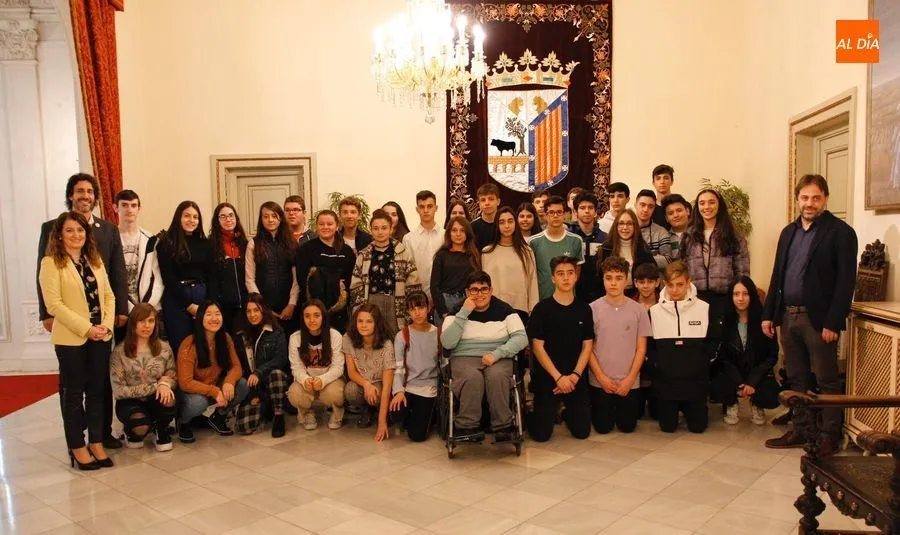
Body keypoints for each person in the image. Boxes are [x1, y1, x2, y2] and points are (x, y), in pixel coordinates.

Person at [763, 174, 858, 455]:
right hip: (788, 315)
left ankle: (829, 435)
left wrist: (833, 322)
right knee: (797, 378)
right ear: (797, 199)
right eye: (804, 197)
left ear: (826, 199)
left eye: (816, 198)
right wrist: (769, 314)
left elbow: (845, 282)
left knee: (827, 380)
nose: (810, 203)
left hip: (818, 320)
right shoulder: (788, 232)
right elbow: (777, 275)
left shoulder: (840, 232)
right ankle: (803, 430)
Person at [37, 173, 127, 450]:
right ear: (71, 195)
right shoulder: (51, 231)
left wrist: (112, 319)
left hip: (101, 326)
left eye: (89, 191)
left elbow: (116, 274)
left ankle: (101, 436)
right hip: (71, 328)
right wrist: (46, 314)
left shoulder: (106, 233)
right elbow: (46, 286)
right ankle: (76, 443)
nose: (85, 196)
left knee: (99, 385)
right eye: (79, 191)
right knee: (72, 389)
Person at [441, 271, 527, 442]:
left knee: (497, 375)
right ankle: (466, 426)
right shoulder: (457, 311)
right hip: (464, 357)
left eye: (484, 289)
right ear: (467, 292)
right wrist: (464, 313)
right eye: (474, 290)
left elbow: (521, 338)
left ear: (491, 290)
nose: (479, 294)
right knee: (472, 377)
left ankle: (503, 426)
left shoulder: (505, 310)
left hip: (498, 356)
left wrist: (497, 354)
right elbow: (447, 343)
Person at [526, 257, 593, 442]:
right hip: (549, 377)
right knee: (541, 435)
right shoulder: (542, 309)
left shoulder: (584, 309)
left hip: (574, 377)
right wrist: (558, 378)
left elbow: (587, 345)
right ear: (553, 278)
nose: (566, 278)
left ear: (576, 277)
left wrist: (575, 376)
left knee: (582, 432)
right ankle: (531, 414)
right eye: (560, 274)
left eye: (570, 273)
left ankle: (564, 412)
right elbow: (537, 347)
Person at [650, 261, 718, 434]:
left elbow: (713, 341)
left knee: (698, 428)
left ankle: (691, 409)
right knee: (667, 428)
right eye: (670, 285)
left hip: (695, 383)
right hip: (667, 384)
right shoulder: (654, 312)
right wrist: (658, 364)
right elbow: (650, 347)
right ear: (664, 283)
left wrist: (704, 362)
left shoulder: (704, 308)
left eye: (680, 284)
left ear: (688, 282)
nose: (675, 290)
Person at [588, 256, 652, 434]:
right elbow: (588, 349)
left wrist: (630, 379)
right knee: (603, 428)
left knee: (627, 427)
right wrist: (601, 377)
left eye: (618, 278)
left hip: (628, 381)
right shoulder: (592, 309)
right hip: (600, 381)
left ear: (627, 279)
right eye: (608, 278)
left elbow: (641, 349)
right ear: (603, 279)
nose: (613, 283)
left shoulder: (638, 310)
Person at [176, 301, 249, 443]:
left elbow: (237, 367)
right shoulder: (189, 343)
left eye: (217, 314)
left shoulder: (225, 338)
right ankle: (183, 422)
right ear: (200, 318)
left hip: (213, 388)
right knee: (198, 403)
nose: (214, 318)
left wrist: (228, 382)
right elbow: (185, 382)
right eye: (209, 314)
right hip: (191, 393)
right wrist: (214, 391)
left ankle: (218, 417)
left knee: (242, 384)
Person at [712, 277, 781, 425]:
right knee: (717, 384)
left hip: (757, 372)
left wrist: (752, 382)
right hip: (732, 372)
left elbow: (772, 355)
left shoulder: (765, 322)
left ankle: (757, 403)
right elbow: (721, 357)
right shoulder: (722, 320)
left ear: (752, 295)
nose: (740, 299)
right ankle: (731, 403)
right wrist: (738, 382)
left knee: (770, 393)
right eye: (736, 294)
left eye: (745, 294)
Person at [110, 303, 177, 452]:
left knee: (169, 399)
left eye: (151, 321)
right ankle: (131, 431)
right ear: (133, 324)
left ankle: (160, 428)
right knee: (140, 429)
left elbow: (172, 375)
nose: (147, 326)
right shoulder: (119, 352)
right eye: (141, 321)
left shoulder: (164, 348)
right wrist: (157, 386)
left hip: (156, 399)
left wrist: (166, 384)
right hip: (130, 402)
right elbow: (119, 391)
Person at [681, 188, 750, 325]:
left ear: (719, 205)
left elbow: (742, 271)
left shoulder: (733, 235)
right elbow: (683, 267)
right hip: (695, 298)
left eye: (711, 202)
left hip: (724, 298)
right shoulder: (689, 235)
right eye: (702, 203)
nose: (706, 207)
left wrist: (738, 295)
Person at [350, 209, 421, 337]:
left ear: (391, 228)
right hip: (371, 302)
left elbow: (413, 283)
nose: (380, 232)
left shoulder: (403, 252)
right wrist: (360, 308)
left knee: (396, 338)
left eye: (384, 228)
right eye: (376, 228)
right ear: (370, 230)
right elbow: (356, 285)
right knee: (373, 338)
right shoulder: (364, 255)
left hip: (396, 303)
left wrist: (409, 307)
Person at [157, 201, 215, 356]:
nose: (191, 220)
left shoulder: (206, 244)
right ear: (178, 217)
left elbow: (211, 276)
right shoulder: (166, 243)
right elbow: (168, 279)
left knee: (204, 346)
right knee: (181, 347)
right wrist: (189, 304)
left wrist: (207, 304)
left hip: (202, 297)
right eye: (187, 216)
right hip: (177, 299)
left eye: (195, 217)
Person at [233, 294, 290, 437]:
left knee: (276, 374)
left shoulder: (276, 331)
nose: (252, 315)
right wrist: (252, 394)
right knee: (243, 427)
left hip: (272, 381)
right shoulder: (240, 335)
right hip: (253, 387)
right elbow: (240, 367)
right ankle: (266, 406)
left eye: (256, 310)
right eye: (248, 311)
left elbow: (281, 359)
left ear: (263, 310)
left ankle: (278, 415)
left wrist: (259, 372)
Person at [389, 291, 441, 442]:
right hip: (408, 387)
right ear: (408, 311)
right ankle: (414, 415)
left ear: (428, 308)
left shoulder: (438, 334)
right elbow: (398, 368)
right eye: (412, 309)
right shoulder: (403, 335)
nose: (417, 313)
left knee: (417, 436)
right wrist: (399, 391)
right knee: (396, 414)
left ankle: (427, 416)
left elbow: (443, 365)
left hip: (429, 388)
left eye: (421, 307)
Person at [287, 300, 346, 430]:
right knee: (294, 393)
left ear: (323, 317)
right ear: (302, 318)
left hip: (331, 380)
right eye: (307, 316)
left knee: (336, 393)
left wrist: (322, 380)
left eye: (316, 315)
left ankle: (337, 414)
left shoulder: (334, 335)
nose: (312, 320)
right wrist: (305, 379)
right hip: (308, 381)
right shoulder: (295, 338)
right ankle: (307, 413)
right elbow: (296, 367)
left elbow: (338, 367)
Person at [296, 210, 356, 332]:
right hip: (313, 308)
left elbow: (351, 279)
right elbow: (303, 280)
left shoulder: (346, 251)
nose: (325, 227)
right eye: (321, 224)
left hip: (340, 310)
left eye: (329, 224)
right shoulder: (306, 249)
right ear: (316, 226)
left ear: (337, 226)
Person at [245, 202, 300, 334]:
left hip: (289, 306)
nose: (270, 220)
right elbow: (249, 279)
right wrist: (262, 307)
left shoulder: (292, 243)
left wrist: (292, 304)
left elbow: (296, 277)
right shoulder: (253, 244)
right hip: (263, 308)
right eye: (266, 216)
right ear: (261, 219)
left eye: (274, 216)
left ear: (280, 218)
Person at [344, 304, 395, 441]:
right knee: (350, 390)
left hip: (380, 383)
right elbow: (351, 372)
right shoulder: (348, 338)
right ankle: (366, 409)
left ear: (376, 324)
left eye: (369, 321)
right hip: (362, 381)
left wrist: (382, 422)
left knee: (378, 393)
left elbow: (387, 386)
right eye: (360, 321)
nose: (363, 325)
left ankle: (381, 412)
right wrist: (366, 384)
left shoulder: (386, 345)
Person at [113, 190, 163, 317]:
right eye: (124, 205)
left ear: (139, 209)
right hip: (121, 310)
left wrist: (146, 307)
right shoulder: (110, 239)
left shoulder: (150, 240)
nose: (129, 209)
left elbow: (157, 277)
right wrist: (127, 308)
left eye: (133, 205)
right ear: (115, 208)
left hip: (148, 308)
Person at [481, 206, 539, 316]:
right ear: (497, 225)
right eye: (502, 222)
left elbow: (532, 283)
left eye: (510, 221)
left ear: (515, 224)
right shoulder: (487, 252)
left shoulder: (526, 252)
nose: (507, 226)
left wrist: (533, 310)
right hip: (493, 309)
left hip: (520, 309)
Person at [528, 195, 585, 300]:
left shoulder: (576, 240)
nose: (555, 216)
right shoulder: (533, 242)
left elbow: (577, 271)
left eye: (559, 212)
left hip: (568, 300)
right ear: (545, 215)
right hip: (542, 300)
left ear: (564, 215)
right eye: (551, 212)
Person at [208, 202, 249, 334]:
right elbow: (211, 279)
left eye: (231, 215)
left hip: (246, 306)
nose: (228, 219)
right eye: (223, 216)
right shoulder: (211, 245)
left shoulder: (245, 243)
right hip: (223, 307)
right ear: (217, 220)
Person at [595, 209, 654, 298]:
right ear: (616, 226)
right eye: (621, 223)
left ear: (635, 226)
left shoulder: (643, 248)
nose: (625, 227)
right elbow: (598, 278)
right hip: (610, 295)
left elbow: (651, 275)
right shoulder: (605, 248)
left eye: (629, 224)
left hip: (636, 295)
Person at [431, 216, 481, 319]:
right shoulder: (441, 255)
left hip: (468, 302)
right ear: (449, 233)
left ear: (467, 233)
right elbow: (434, 286)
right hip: (445, 303)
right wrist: (443, 311)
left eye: (462, 230)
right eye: (454, 230)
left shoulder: (474, 255)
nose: (458, 234)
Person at [403, 190, 444, 299]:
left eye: (429, 206)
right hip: (418, 297)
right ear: (417, 209)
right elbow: (408, 272)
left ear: (436, 208)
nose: (426, 210)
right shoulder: (408, 239)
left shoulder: (445, 236)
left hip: (443, 295)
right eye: (422, 207)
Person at [632, 262, 661, 420]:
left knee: (657, 415)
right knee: (635, 414)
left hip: (658, 364)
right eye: (641, 282)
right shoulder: (629, 305)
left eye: (650, 281)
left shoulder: (665, 305)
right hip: (636, 363)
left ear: (657, 282)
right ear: (635, 283)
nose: (645, 286)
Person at [567, 191, 607, 303]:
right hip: (573, 295)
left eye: (590, 207)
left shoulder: (605, 238)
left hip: (600, 296)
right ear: (575, 211)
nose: (587, 211)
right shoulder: (568, 237)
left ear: (595, 211)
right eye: (582, 208)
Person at [634, 189, 673, 269]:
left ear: (654, 208)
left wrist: (639, 259)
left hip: (654, 276)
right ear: (635, 205)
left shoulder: (661, 232)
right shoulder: (625, 228)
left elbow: (668, 260)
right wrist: (654, 257)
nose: (646, 209)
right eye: (642, 205)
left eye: (650, 206)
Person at [471, 183, 501, 249]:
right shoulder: (472, 227)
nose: (487, 203)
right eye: (483, 200)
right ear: (479, 203)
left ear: (498, 201)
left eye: (491, 199)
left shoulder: (504, 224)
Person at [661, 194, 691, 260]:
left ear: (687, 211)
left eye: (679, 210)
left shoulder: (699, 233)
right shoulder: (664, 239)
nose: (676, 215)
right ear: (666, 218)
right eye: (670, 213)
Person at [651, 164, 675, 229]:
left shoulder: (681, 206)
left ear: (672, 181)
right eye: (658, 178)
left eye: (666, 178)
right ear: (653, 183)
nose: (662, 182)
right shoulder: (649, 208)